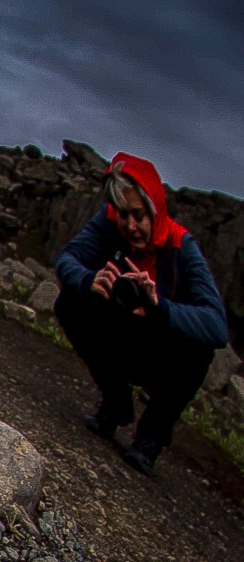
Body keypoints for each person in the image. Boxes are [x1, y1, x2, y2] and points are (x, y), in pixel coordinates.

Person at [54, 152, 229, 474]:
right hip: (120, 334)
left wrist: (160, 308)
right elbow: (68, 259)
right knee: (70, 301)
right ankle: (115, 404)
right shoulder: (109, 223)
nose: (130, 226)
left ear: (154, 209)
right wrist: (89, 279)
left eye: (139, 216)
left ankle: (151, 437)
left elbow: (217, 327)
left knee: (200, 350)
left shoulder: (181, 245)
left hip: (161, 348)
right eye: (123, 216)